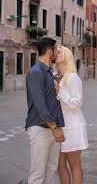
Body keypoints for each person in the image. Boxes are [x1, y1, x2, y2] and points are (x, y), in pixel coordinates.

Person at [25, 37, 65, 184]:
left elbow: (50, 100)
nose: (57, 53)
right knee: (37, 174)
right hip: (40, 128)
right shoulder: (35, 72)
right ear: (50, 52)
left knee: (50, 171)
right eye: (56, 50)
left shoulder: (48, 73)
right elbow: (40, 104)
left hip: (52, 128)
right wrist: (55, 128)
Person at [54, 46, 88, 184]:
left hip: (73, 126)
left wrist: (59, 92)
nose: (55, 53)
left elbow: (77, 103)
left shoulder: (73, 77)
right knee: (59, 165)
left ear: (66, 56)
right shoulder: (53, 76)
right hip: (58, 127)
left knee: (74, 163)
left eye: (59, 51)